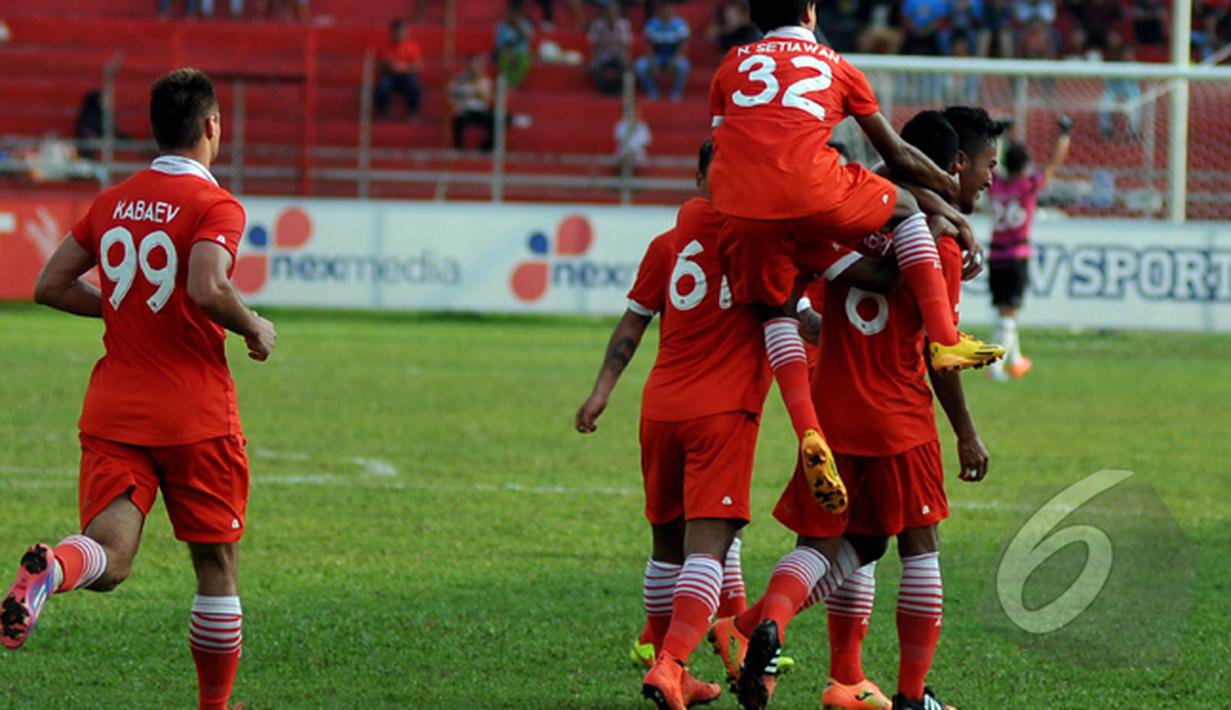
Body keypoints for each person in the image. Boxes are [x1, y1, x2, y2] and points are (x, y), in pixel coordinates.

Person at [2, 67, 276, 710]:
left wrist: (124, 308)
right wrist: (254, 325)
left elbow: (49, 285)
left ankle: (53, 567)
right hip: (194, 415)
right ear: (212, 126)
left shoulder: (113, 200)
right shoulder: (217, 205)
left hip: (115, 409)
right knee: (215, 566)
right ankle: (214, 707)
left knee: (109, 557)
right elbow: (209, 288)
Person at [714, 107, 1002, 710]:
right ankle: (911, 696)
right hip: (899, 417)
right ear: (950, 166)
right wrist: (967, 434)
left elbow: (806, 289)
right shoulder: (937, 243)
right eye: (986, 165)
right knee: (920, 548)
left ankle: (756, 626)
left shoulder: (849, 218)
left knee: (845, 546)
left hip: (832, 413)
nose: (989, 178)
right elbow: (938, 351)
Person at [708, 0, 1003, 539]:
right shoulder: (837, 65)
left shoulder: (732, 64)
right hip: (814, 202)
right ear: (812, 12)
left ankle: (806, 431)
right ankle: (945, 337)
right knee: (907, 209)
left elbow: (719, 145)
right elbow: (897, 157)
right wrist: (952, 209)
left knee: (776, 309)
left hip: (739, 207)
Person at [576, 141, 773, 710]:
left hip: (659, 409)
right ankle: (672, 665)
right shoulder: (755, 246)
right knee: (709, 546)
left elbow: (632, 323)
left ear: (698, 176)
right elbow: (795, 319)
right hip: (722, 413)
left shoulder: (666, 245)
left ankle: (668, 658)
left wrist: (601, 393)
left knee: (666, 546)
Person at [987, 115, 1071, 382]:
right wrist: (1064, 134)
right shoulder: (1026, 187)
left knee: (1003, 311)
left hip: (995, 253)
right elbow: (1053, 164)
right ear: (1024, 168)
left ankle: (1017, 360)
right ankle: (994, 367)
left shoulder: (995, 185)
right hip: (1016, 254)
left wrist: (1000, 135)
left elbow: (994, 161)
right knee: (1009, 314)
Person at [635, 2, 691, 101]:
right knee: (640, 66)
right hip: (657, 56)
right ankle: (652, 91)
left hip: (673, 56)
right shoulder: (652, 24)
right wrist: (651, 61)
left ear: (672, 10)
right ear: (660, 11)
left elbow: (683, 44)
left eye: (668, 8)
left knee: (684, 65)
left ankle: (676, 93)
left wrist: (676, 59)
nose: (666, 11)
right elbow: (649, 45)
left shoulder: (679, 24)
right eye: (664, 9)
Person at [374, 19, 424, 120]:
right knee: (382, 86)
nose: (399, 34)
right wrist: (386, 65)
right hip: (389, 75)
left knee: (414, 86)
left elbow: (418, 67)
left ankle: (412, 112)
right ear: (392, 32)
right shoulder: (384, 46)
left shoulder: (413, 47)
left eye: (402, 31)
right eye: (396, 31)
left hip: (406, 76)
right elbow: (377, 66)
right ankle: (382, 113)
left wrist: (403, 67)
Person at [588, 0, 633, 95]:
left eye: (614, 13)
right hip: (603, 54)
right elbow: (594, 44)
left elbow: (626, 45)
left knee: (626, 68)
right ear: (605, 13)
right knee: (594, 67)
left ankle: (619, 90)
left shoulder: (623, 25)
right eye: (609, 12)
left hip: (618, 54)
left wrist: (627, 59)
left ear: (618, 13)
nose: (611, 15)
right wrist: (593, 59)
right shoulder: (597, 25)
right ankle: (604, 90)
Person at [495, 0, 536, 89]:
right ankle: (508, 82)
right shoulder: (502, 26)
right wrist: (509, 52)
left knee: (524, 60)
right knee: (504, 59)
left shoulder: (526, 24)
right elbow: (499, 45)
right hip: (506, 52)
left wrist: (518, 27)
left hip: (521, 52)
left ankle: (514, 84)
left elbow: (529, 39)